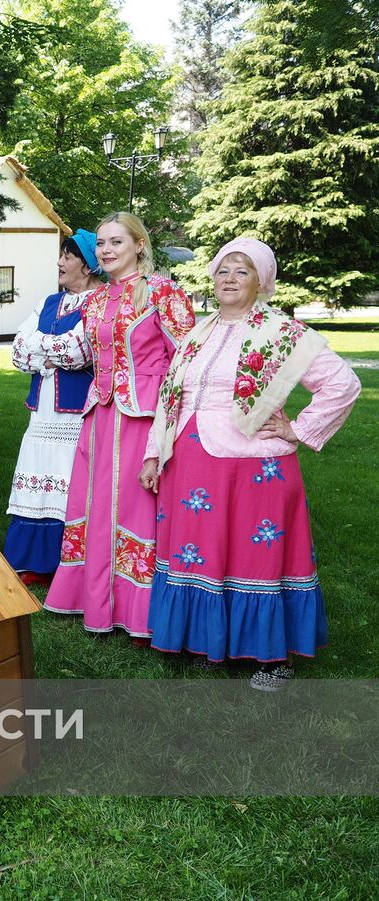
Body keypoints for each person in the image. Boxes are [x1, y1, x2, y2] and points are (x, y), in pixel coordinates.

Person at [141, 238, 359, 690]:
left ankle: (272, 656)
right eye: (222, 269)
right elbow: (171, 398)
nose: (229, 278)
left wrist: (298, 429)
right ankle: (208, 641)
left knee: (256, 556)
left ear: (262, 281)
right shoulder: (199, 333)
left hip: (253, 466)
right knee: (200, 553)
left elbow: (343, 383)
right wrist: (154, 451)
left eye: (241, 271)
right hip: (191, 461)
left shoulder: (283, 332)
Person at [44, 212, 196, 638]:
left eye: (117, 243)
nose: (106, 251)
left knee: (135, 507)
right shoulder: (95, 300)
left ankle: (137, 610)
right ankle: (94, 600)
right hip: (100, 415)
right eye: (102, 244)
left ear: (139, 246)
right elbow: (88, 354)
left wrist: (169, 424)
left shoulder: (162, 291)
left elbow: (186, 359)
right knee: (93, 504)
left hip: (143, 415)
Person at [4, 230, 101, 581]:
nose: (59, 262)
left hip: (75, 414)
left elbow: (79, 352)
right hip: (42, 412)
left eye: (68, 257)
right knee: (37, 479)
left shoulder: (100, 302)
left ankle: (68, 563)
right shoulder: (49, 303)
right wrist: (51, 352)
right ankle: (32, 560)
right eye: (61, 255)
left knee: (68, 482)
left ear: (87, 267)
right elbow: (17, 350)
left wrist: (40, 348)